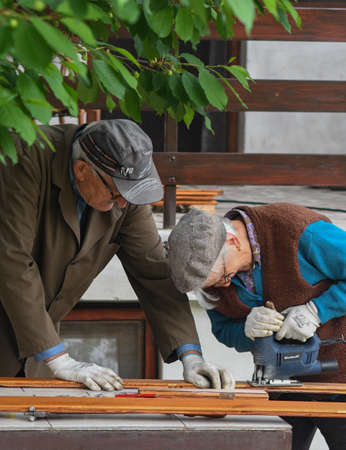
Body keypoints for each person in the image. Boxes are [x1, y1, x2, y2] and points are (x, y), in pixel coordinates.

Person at [0, 119, 233, 392]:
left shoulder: (125, 193)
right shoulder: (24, 156)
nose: (124, 203)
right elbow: (11, 261)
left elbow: (154, 271)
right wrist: (60, 360)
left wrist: (191, 357)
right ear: (82, 170)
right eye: (116, 193)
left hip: (38, 353)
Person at [168, 204, 346, 450]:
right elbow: (223, 331)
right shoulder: (209, 278)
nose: (224, 284)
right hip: (282, 383)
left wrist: (318, 310)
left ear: (232, 241)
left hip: (341, 379)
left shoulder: (297, 230)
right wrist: (247, 330)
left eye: (224, 275)